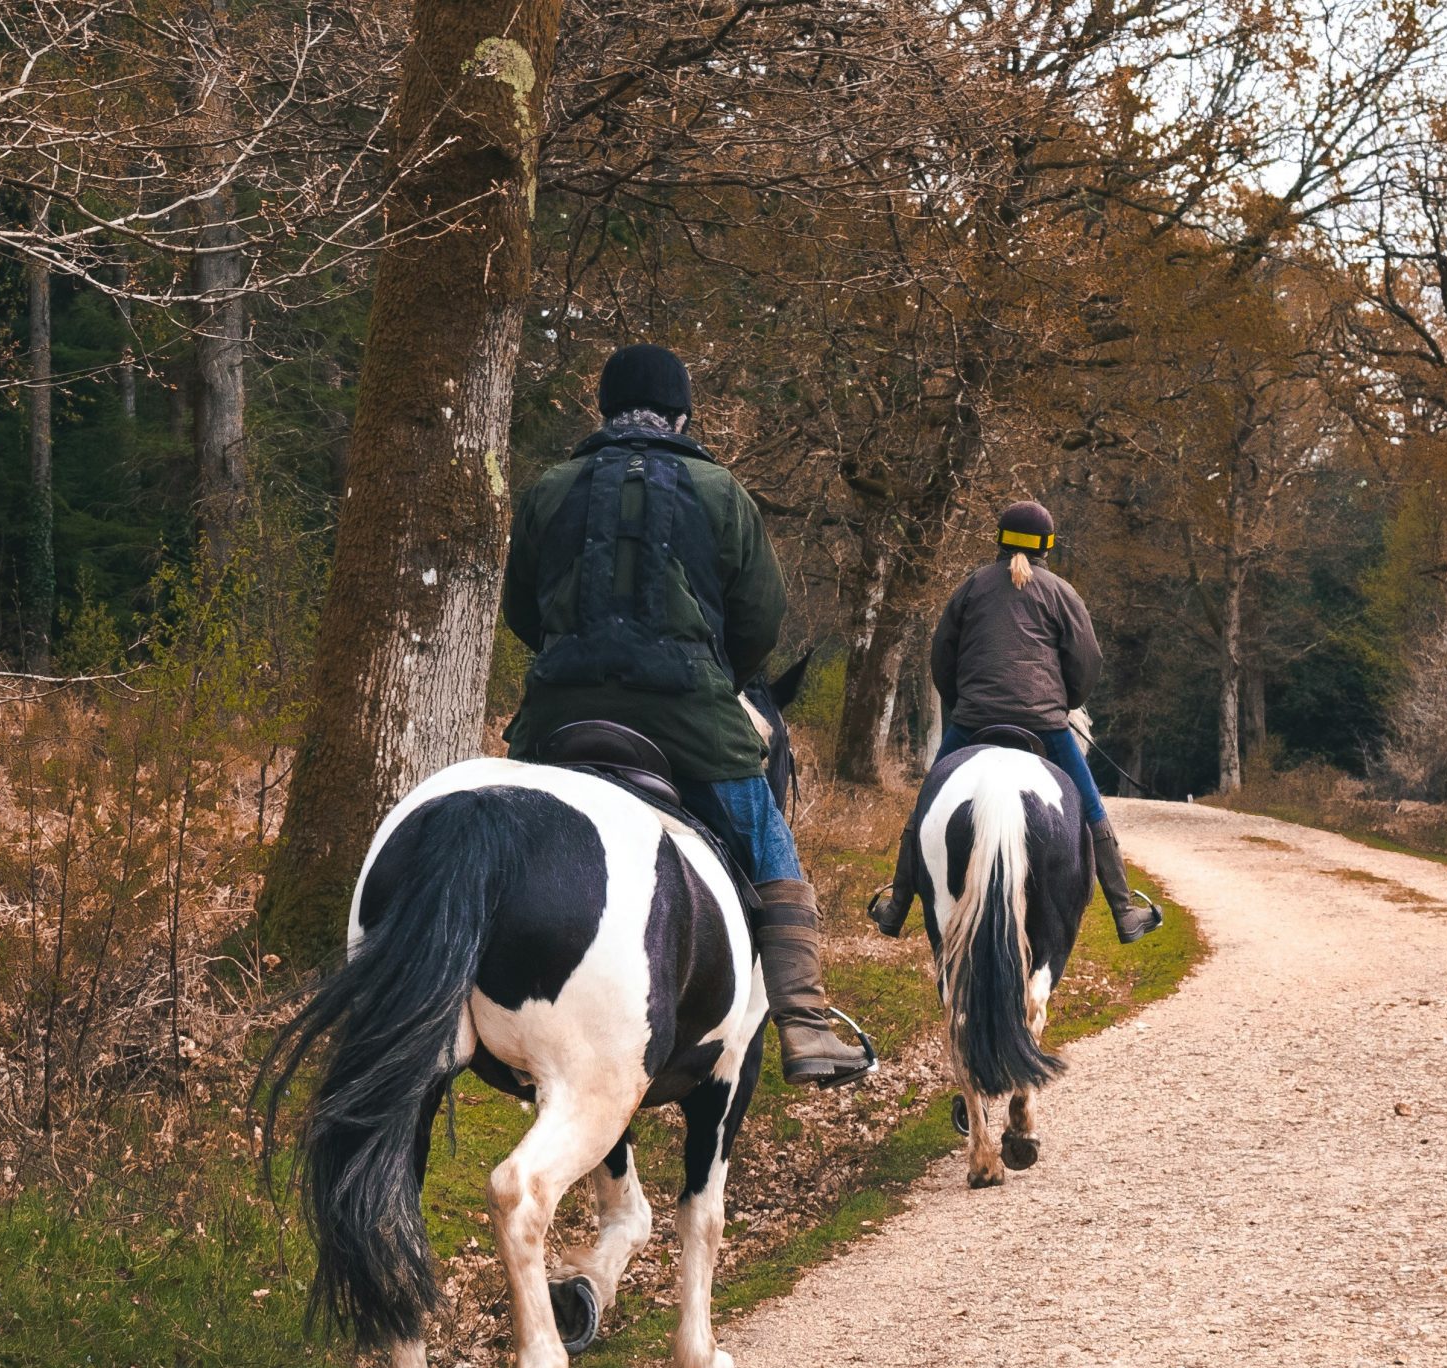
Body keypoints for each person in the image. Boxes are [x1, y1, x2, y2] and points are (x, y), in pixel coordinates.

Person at [498, 343, 871, 1088]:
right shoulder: (720, 490)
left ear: (603, 410)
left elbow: (522, 610)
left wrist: (577, 655)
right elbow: (760, 620)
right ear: (681, 413)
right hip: (691, 720)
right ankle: (803, 1021)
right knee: (769, 842)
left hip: (555, 718)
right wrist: (713, 672)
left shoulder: (550, 488)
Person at [866, 499, 1162, 944]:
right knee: (1092, 807)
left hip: (972, 722)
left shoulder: (970, 588)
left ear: (1000, 539)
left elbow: (942, 658)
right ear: (1047, 545)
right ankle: (1124, 911)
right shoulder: (1062, 593)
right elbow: (1087, 661)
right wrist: (1066, 703)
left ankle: (896, 906)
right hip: (1044, 725)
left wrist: (963, 703)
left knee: (926, 803)